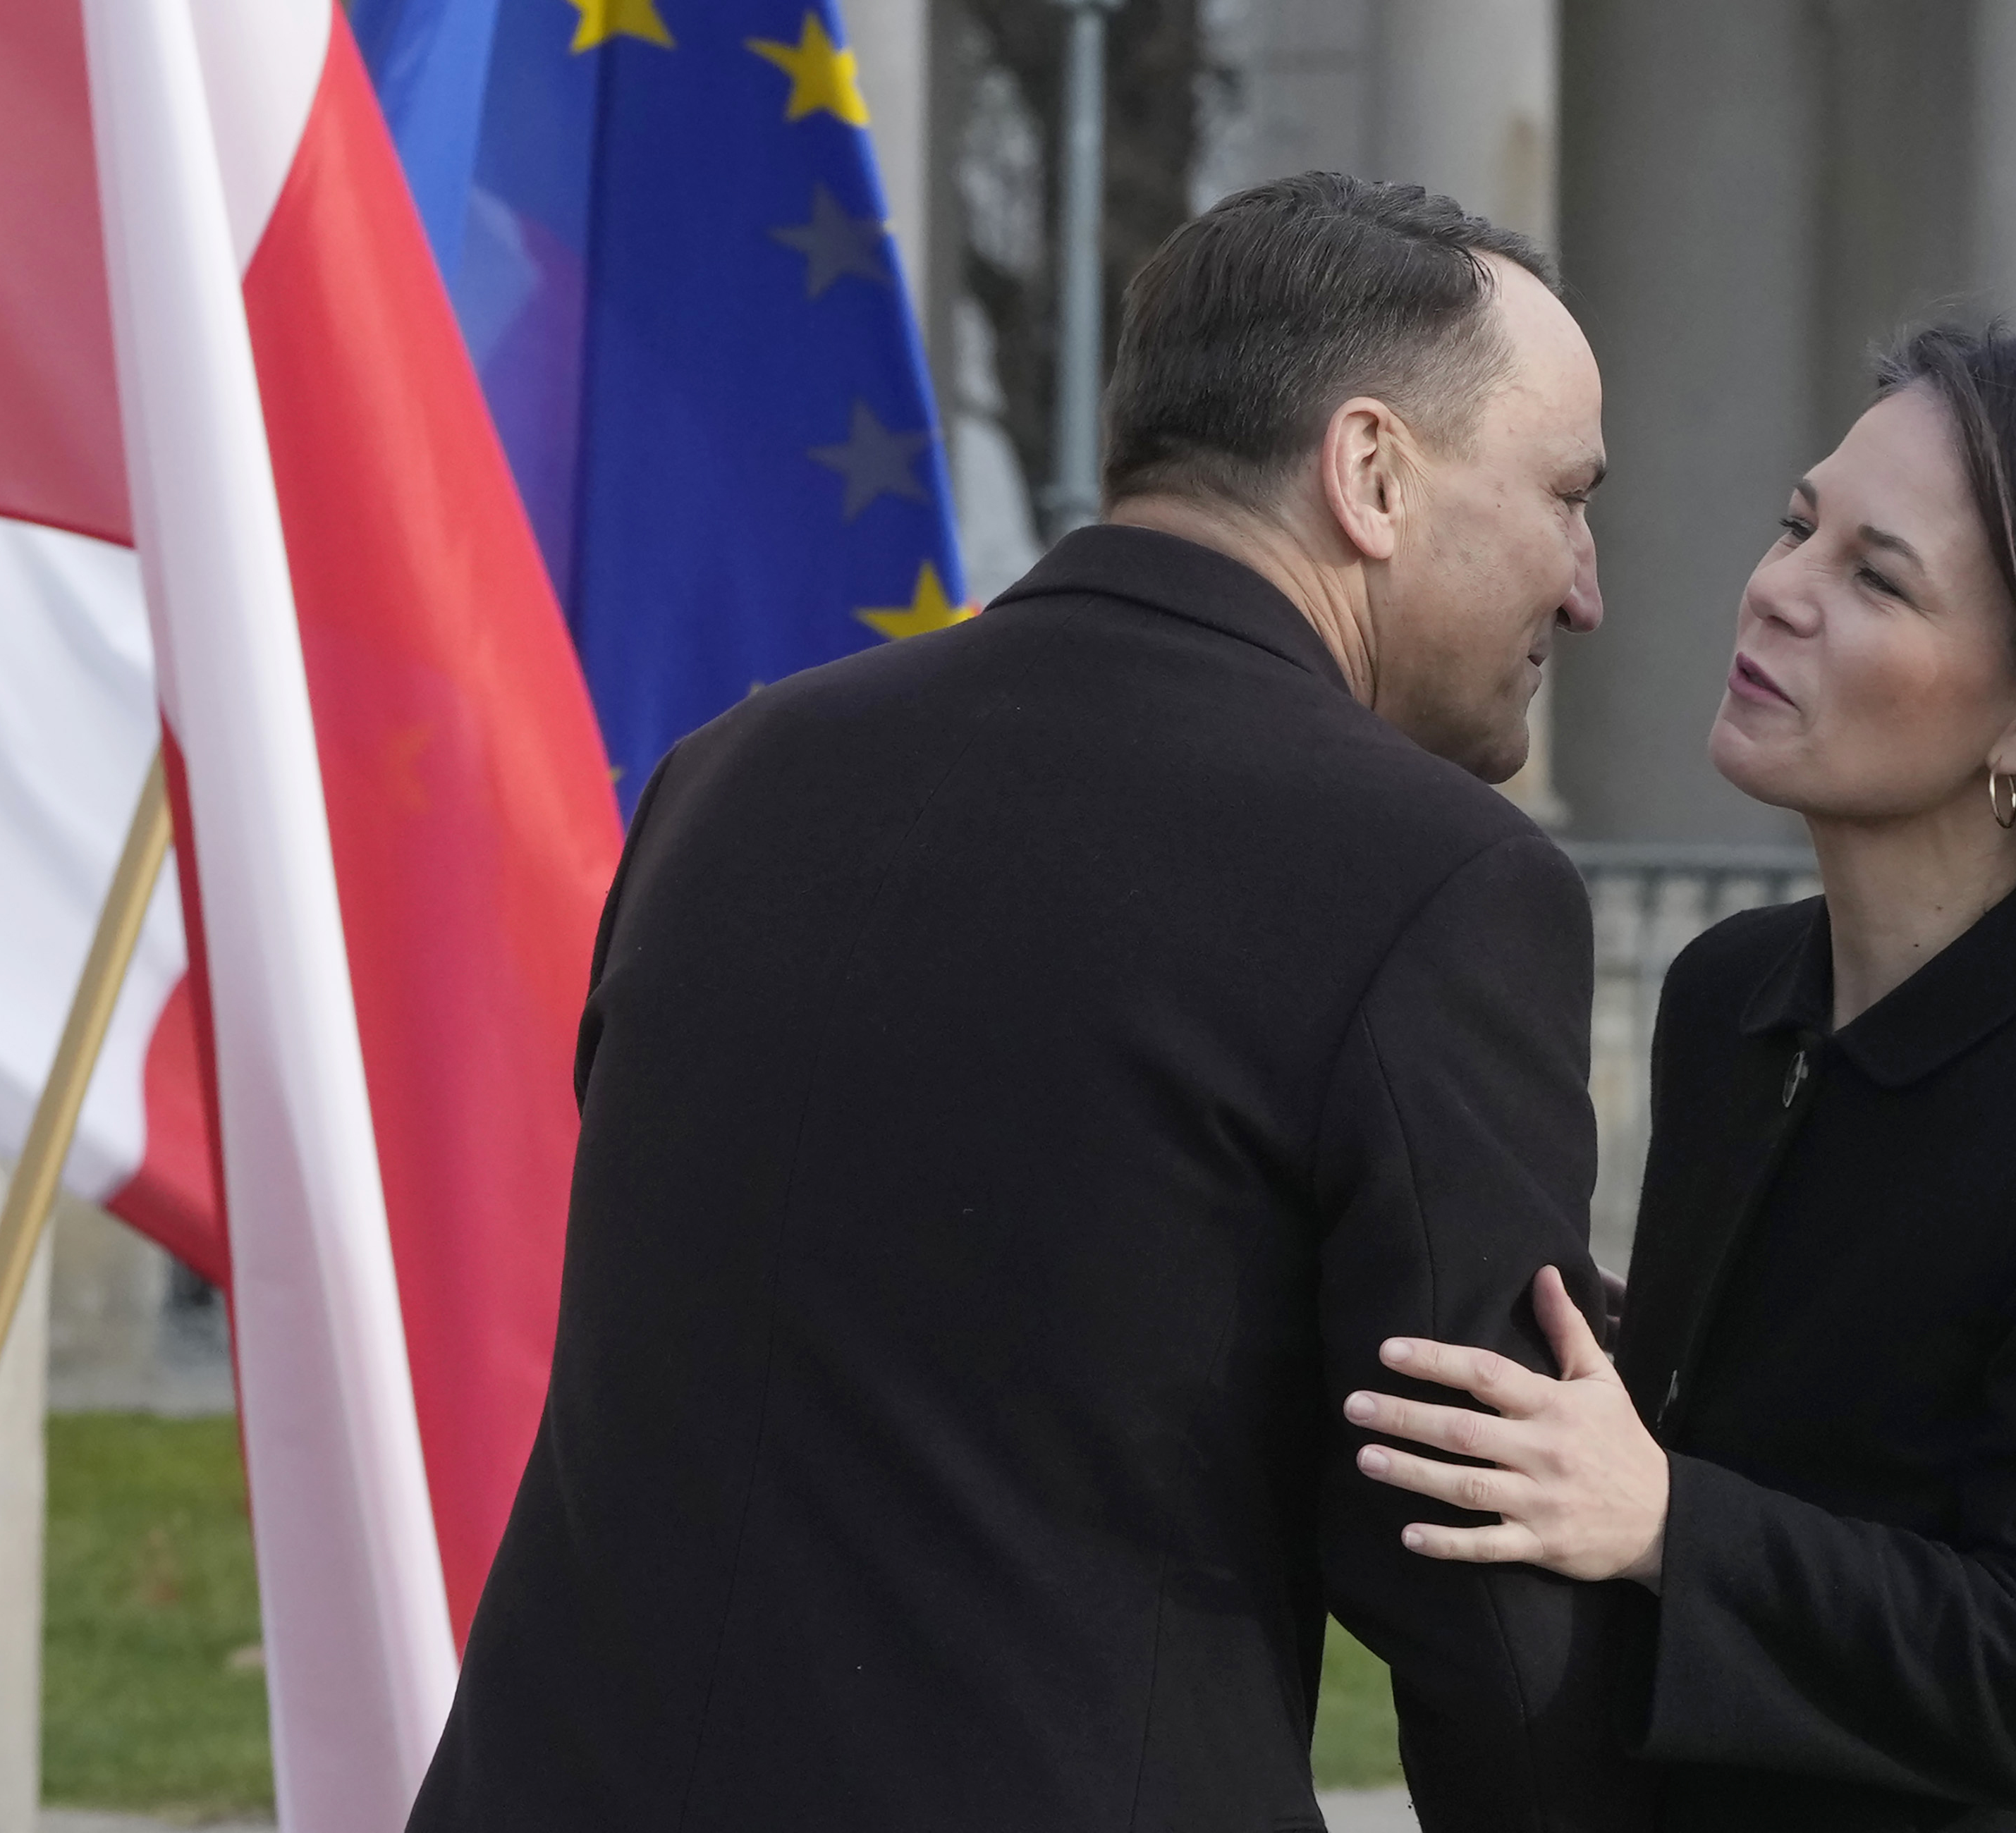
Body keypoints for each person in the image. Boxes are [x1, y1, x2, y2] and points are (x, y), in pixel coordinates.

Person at [408, 173, 1648, 1832]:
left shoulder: (733, 775)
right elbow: (1472, 1554)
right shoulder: (1441, 879)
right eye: (1566, 495)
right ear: (1370, 473)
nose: (1585, 585)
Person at [1347, 326, 2016, 1829]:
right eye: (1796, 525)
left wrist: (1666, 1518)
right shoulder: (1734, 1000)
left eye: (1877, 578)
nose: (1778, 589)